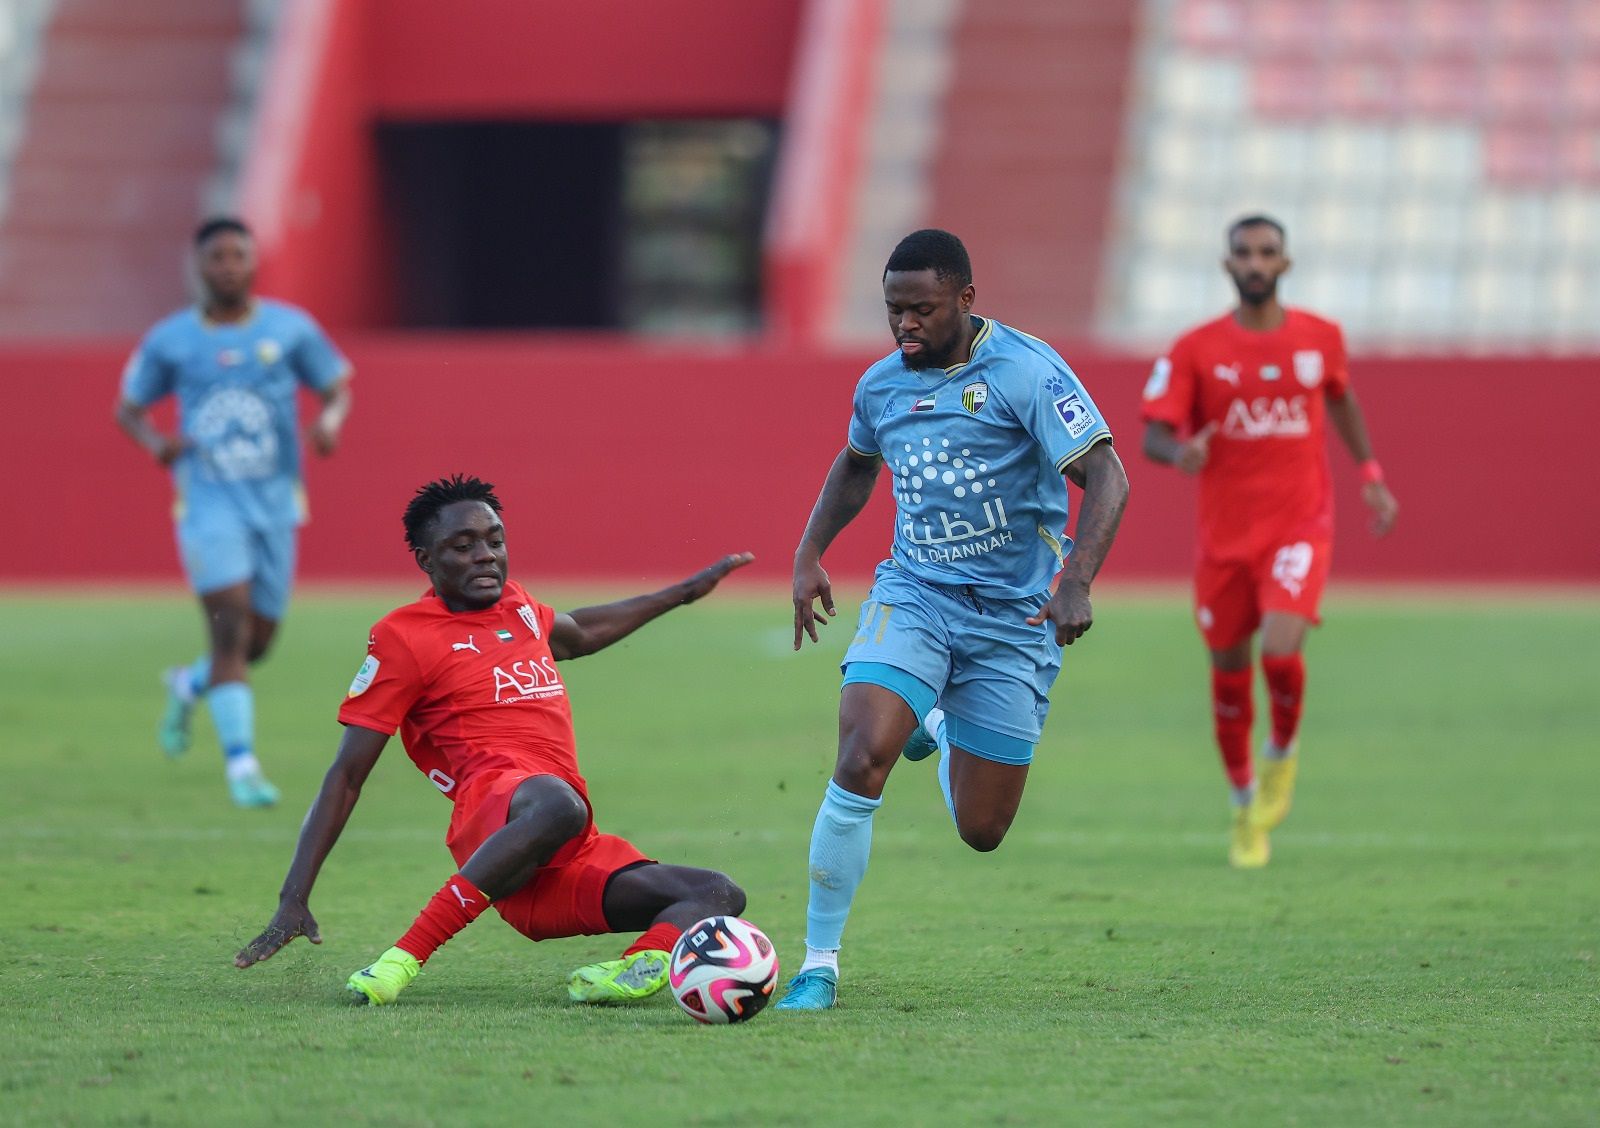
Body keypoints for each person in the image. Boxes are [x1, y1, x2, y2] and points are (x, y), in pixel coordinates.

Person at [234, 474, 754, 1007]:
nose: (485, 556)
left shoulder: (518, 607)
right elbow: (345, 776)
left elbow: (581, 633)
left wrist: (683, 594)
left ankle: (633, 968)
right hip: (494, 815)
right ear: (425, 560)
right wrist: (293, 896)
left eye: (494, 540)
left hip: (565, 847)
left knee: (716, 893)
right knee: (557, 802)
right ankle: (400, 961)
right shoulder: (403, 637)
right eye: (463, 546)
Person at [778, 229, 1130, 1010]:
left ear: (966, 300)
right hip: (916, 595)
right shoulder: (881, 386)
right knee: (863, 750)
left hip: (1016, 619)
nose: (904, 326)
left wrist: (1076, 582)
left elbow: (1107, 476)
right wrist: (809, 553)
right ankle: (819, 962)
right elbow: (857, 462)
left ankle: (934, 723)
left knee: (982, 830)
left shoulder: (1027, 373)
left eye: (922, 310)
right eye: (893, 310)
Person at [1141, 214, 1399, 869]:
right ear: (1227, 265)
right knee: (1229, 677)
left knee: (1280, 654)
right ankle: (1242, 804)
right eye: (1244, 254)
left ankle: (1281, 753)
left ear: (1285, 263)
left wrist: (1369, 473)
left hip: (1299, 524)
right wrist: (1181, 452)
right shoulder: (1195, 349)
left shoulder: (1321, 338)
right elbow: (1151, 435)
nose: (1255, 263)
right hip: (1224, 541)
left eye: (1267, 253)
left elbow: (1340, 397)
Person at [115, 216, 353, 808]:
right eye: (215, 257)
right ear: (199, 267)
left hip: (274, 507)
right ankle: (243, 766)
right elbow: (129, 408)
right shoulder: (172, 340)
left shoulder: (290, 330)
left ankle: (188, 682)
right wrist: (158, 444)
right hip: (208, 505)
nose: (226, 266)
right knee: (228, 630)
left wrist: (327, 421)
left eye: (236, 255)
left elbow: (338, 383)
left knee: (257, 643)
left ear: (252, 263)